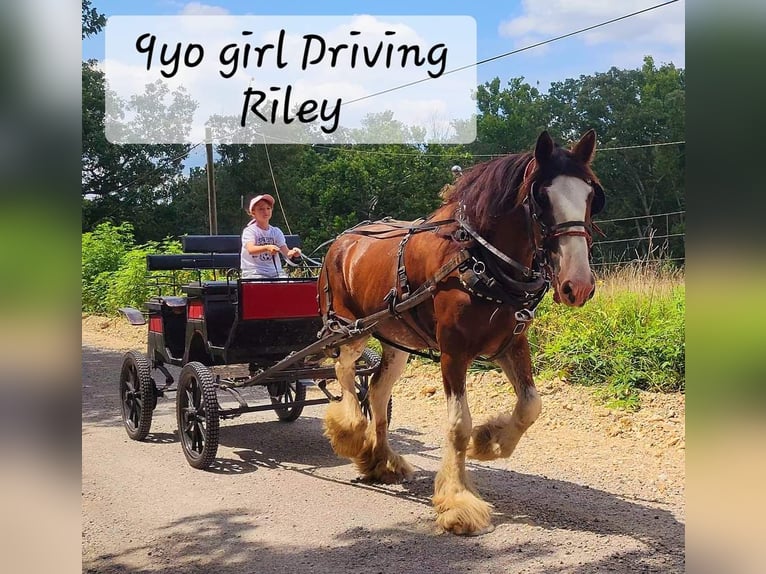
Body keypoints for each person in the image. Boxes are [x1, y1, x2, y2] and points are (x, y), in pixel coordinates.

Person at [240, 194, 301, 278]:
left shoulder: (276, 231)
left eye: (268, 208)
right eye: (261, 209)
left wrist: (294, 253)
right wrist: (267, 247)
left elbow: (286, 252)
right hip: (254, 274)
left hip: (275, 274)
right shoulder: (249, 231)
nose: (266, 211)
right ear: (253, 212)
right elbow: (251, 249)